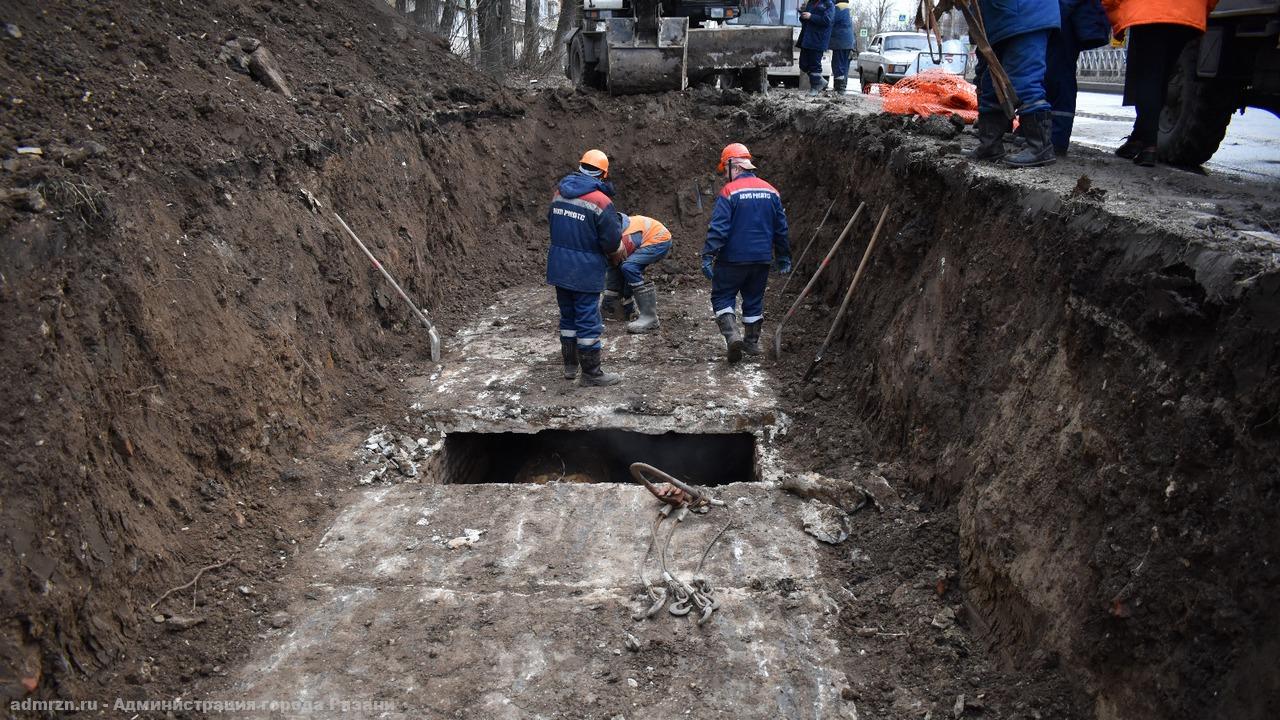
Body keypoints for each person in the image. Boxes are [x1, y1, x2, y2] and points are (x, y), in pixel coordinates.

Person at [701, 143, 790, 363]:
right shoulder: (771, 191)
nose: (726, 175)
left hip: (732, 259)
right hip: (761, 259)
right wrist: (783, 256)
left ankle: (732, 336)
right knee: (754, 298)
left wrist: (708, 254)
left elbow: (719, 228)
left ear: (734, 165)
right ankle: (752, 342)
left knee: (722, 296)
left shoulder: (730, 192)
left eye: (726, 169)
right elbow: (781, 228)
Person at [1103, 0, 1217, 166]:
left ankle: (1149, 146)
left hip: (1148, 11)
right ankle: (1138, 137)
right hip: (1187, 12)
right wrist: (1201, 10)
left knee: (1149, 76)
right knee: (1162, 77)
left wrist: (1114, 17)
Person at [547, 149, 623, 386]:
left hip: (560, 267)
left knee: (568, 317)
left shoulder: (559, 193)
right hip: (586, 271)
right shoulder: (601, 201)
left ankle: (570, 367)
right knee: (588, 320)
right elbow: (611, 242)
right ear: (603, 174)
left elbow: (552, 224)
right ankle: (591, 373)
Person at [966, 0, 1062, 168]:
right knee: (990, 84)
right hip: (999, 20)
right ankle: (990, 146)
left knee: (1025, 82)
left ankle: (1039, 147)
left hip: (1025, 15)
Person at [1043, 0, 1112, 155]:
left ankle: (1056, 138)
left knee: (1057, 76)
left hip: (1061, 15)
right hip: (1057, 14)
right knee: (1051, 74)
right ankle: (1046, 134)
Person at [604, 213, 672, 334]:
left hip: (659, 240)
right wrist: (609, 301)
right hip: (652, 236)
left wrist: (625, 294)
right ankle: (622, 308)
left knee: (629, 267)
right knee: (620, 266)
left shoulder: (626, 237)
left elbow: (620, 265)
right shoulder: (616, 231)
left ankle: (649, 317)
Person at [797, 0, 835, 96]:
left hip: (818, 39)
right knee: (803, 64)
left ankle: (815, 88)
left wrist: (811, 16)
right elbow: (806, 21)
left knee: (815, 65)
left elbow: (827, 20)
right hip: (806, 38)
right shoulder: (811, 3)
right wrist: (803, 16)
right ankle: (820, 81)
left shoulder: (828, 4)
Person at [829, 1, 856, 94]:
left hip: (841, 42)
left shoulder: (839, 7)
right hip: (847, 42)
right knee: (844, 65)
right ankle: (841, 87)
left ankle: (839, 89)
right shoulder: (847, 8)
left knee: (838, 65)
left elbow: (830, 20)